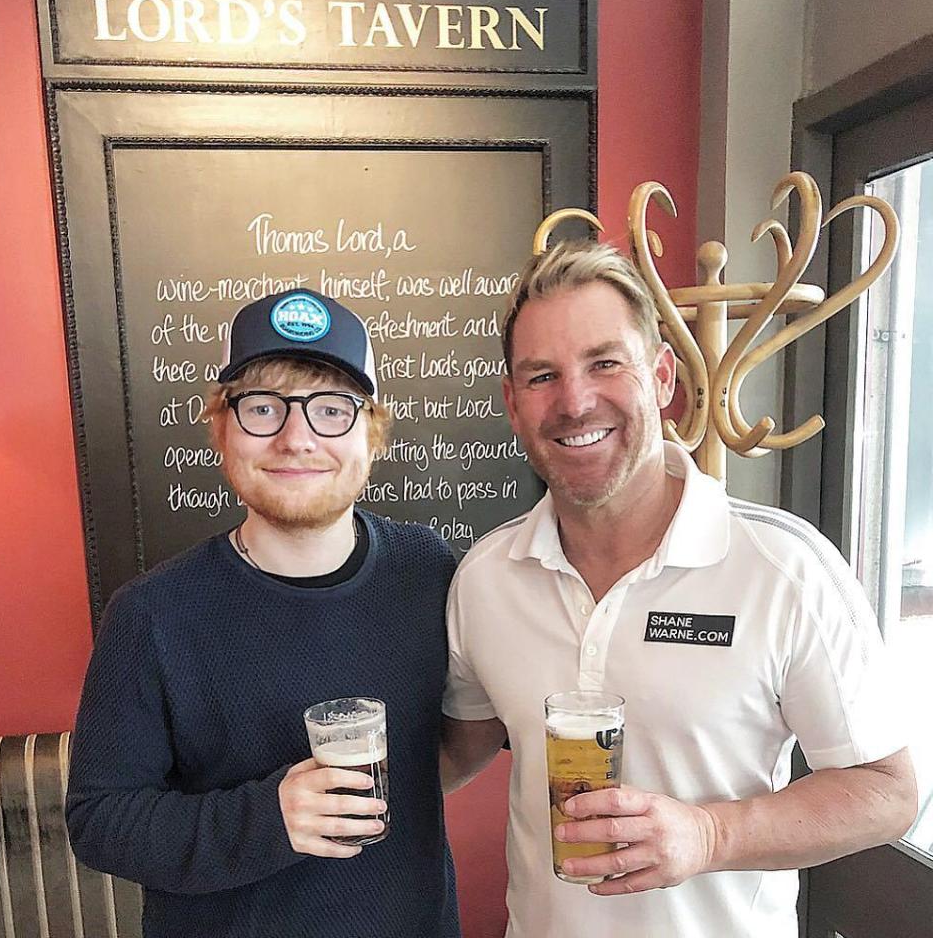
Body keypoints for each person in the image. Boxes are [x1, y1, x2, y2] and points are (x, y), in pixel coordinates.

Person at [439, 240, 917, 938]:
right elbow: (462, 743)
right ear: (513, 404)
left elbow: (889, 792)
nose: (574, 401)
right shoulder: (486, 578)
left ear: (661, 376)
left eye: (605, 363)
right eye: (542, 376)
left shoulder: (782, 568)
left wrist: (710, 836)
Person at [67, 288, 460, 938]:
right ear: (221, 428)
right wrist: (267, 819)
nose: (297, 437)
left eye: (332, 409)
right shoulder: (150, 615)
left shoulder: (429, 570)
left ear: (373, 433)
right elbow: (100, 823)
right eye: (262, 408)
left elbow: (462, 733)